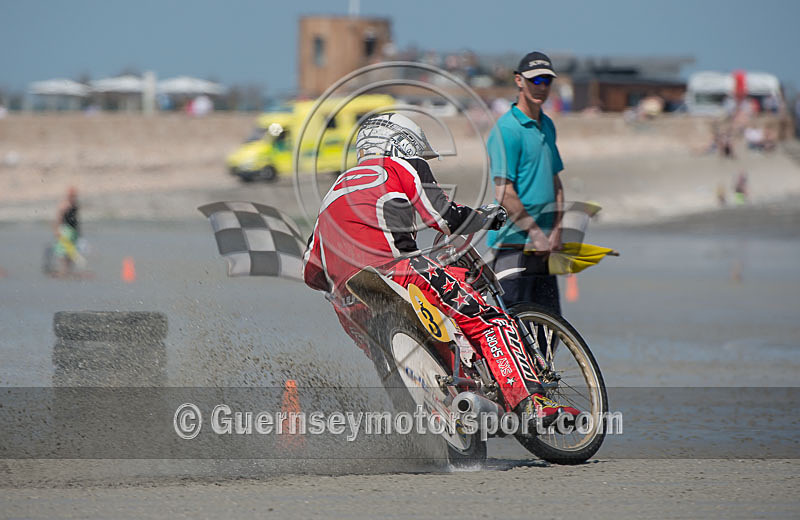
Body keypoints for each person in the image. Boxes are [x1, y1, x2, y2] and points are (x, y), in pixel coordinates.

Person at [302, 113, 578, 422]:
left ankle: (430, 419)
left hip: (347, 303)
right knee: (489, 319)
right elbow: (445, 217)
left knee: (405, 361)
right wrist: (486, 216)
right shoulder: (403, 166)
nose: (420, 158)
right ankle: (530, 402)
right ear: (401, 144)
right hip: (399, 270)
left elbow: (311, 271)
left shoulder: (334, 190)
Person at [485, 51, 565, 314]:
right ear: (519, 81)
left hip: (543, 247)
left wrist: (557, 229)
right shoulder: (506, 130)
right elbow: (504, 193)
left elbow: (555, 181)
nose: (540, 87)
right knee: (515, 325)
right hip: (513, 244)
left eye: (546, 81)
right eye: (534, 80)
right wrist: (535, 232)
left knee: (551, 328)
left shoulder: (547, 125)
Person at [51, 186, 83, 276]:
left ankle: (68, 271)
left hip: (73, 231)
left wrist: (79, 231)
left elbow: (77, 219)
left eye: (74, 196)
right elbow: (58, 218)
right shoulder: (64, 205)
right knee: (63, 251)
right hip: (65, 230)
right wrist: (56, 230)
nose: (73, 197)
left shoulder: (75, 205)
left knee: (72, 251)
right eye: (71, 196)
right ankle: (63, 270)